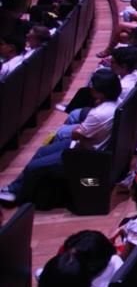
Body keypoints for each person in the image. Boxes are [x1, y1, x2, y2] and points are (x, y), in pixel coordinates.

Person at [0, 69, 122, 206]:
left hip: (87, 155)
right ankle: (13, 189)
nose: (90, 88)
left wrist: (78, 129)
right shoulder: (119, 102)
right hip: (87, 145)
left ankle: (18, 196)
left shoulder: (99, 113)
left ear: (101, 92)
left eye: (92, 86)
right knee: (41, 152)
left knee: (34, 167)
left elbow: (77, 134)